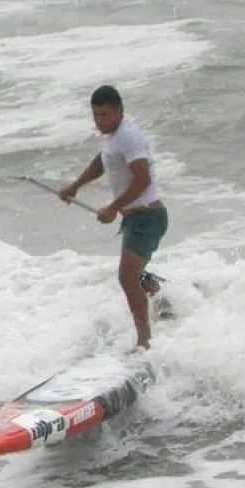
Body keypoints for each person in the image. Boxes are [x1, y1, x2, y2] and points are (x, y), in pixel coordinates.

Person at [58, 85, 169, 351]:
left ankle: (145, 342)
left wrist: (113, 206)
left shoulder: (130, 137)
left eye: (106, 115)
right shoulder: (111, 136)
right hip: (134, 219)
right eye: (96, 116)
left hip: (149, 217)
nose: (100, 121)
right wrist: (75, 186)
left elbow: (143, 179)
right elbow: (102, 162)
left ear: (120, 111)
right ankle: (164, 301)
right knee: (134, 273)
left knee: (126, 276)